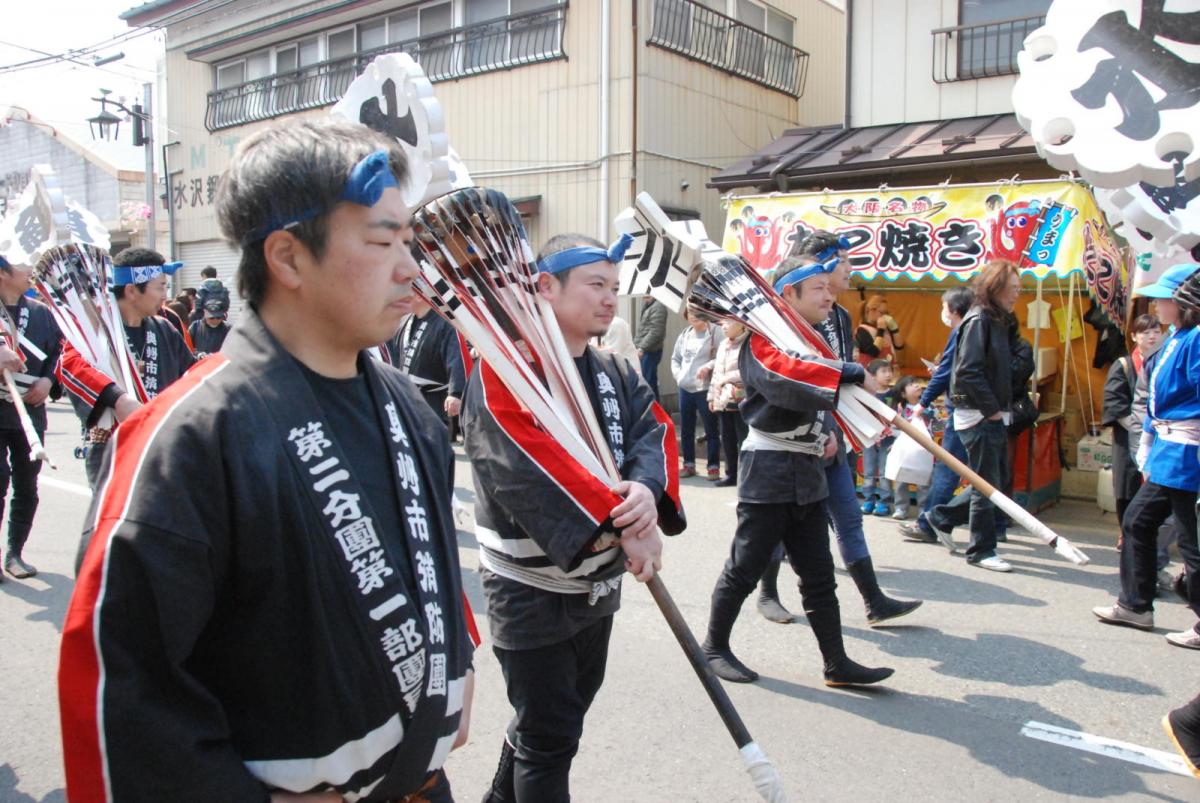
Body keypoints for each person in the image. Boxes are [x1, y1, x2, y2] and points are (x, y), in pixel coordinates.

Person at [59, 118, 475, 802]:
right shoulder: (189, 439)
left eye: (410, 241)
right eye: (382, 241)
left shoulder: (410, 409)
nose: (411, 268)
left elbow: (429, 566)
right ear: (287, 257)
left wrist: (457, 665)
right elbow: (123, 691)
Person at [465, 232, 684, 803]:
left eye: (615, 286)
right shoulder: (505, 373)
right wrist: (624, 525)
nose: (610, 298)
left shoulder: (615, 370)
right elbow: (524, 471)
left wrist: (645, 493)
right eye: (595, 284)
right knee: (549, 738)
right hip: (530, 589)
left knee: (556, 723)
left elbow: (653, 430)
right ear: (546, 286)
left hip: (598, 585)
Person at [701, 255, 894, 687]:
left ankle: (836, 662)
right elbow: (787, 380)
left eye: (831, 287)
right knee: (745, 567)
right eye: (819, 288)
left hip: (807, 468)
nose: (830, 296)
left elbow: (820, 397)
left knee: (819, 575)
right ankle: (713, 647)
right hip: (768, 468)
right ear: (789, 293)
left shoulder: (809, 339)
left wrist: (827, 432)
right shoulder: (763, 341)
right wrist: (850, 370)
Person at [756, 235, 921, 627]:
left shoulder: (842, 317)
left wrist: (842, 425)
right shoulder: (779, 319)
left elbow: (842, 378)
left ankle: (873, 599)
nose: (849, 268)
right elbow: (793, 379)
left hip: (831, 431)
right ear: (815, 265)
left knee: (848, 515)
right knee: (776, 524)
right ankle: (767, 593)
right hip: (789, 439)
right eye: (842, 260)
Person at [1093, 262, 1200, 645]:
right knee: (1137, 521)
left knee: (1192, 542)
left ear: (1185, 302)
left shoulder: (1195, 339)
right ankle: (1135, 604)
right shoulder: (1177, 337)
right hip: (1169, 450)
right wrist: (1149, 441)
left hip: (1189, 453)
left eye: (1164, 299)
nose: (1157, 307)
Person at [57, 247, 195, 492]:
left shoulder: (164, 328)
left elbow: (192, 374)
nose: (165, 295)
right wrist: (118, 399)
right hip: (111, 447)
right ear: (132, 291)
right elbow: (70, 364)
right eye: (160, 287)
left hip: (158, 444)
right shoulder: (97, 328)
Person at [923, 259, 1021, 572]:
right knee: (986, 485)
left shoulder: (994, 319)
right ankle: (980, 549)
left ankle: (940, 517)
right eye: (1012, 288)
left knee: (990, 481)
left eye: (1019, 288)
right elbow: (967, 371)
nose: (1017, 294)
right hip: (977, 413)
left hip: (985, 411)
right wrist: (991, 411)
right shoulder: (980, 320)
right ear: (996, 287)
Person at [0, 256, 62, 579]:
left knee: (27, 484)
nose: (31, 274)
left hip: (30, 410)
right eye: (25, 268)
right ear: (3, 273)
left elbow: (59, 352)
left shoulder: (41, 313)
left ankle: (15, 552)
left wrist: (48, 381)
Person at [898, 286, 973, 547]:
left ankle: (930, 522)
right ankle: (992, 526)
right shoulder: (980, 328)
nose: (943, 312)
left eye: (943, 307)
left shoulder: (962, 330)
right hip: (979, 410)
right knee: (984, 474)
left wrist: (924, 401)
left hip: (965, 410)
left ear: (954, 310)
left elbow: (945, 372)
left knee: (949, 467)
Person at [1103, 314, 1162, 545]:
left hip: (1158, 436)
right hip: (1128, 435)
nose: (1152, 336)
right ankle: (1126, 533)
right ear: (1134, 336)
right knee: (1127, 487)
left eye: (1156, 331)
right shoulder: (1124, 365)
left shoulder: (1164, 362)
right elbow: (1114, 402)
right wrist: (1138, 428)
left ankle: (1151, 536)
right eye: (1146, 332)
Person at [385, 294, 466, 428]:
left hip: (434, 398)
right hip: (406, 394)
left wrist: (456, 393)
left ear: (419, 296)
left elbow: (456, 357)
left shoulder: (444, 322)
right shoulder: (404, 322)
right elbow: (392, 356)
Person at [671, 308, 721, 479]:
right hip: (685, 387)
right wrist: (679, 376)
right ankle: (688, 464)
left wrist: (708, 366)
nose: (693, 316)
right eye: (690, 313)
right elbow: (675, 359)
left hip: (705, 388)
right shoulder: (685, 334)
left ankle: (713, 466)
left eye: (697, 312)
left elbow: (724, 354)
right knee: (686, 429)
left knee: (711, 428)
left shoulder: (715, 332)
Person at [708, 318, 748, 487]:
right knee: (727, 439)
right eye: (722, 323)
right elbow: (716, 373)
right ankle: (731, 474)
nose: (724, 327)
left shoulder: (749, 344)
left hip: (742, 400)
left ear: (742, 325)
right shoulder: (723, 344)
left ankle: (746, 476)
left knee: (744, 440)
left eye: (728, 323)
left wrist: (727, 378)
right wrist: (711, 396)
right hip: (723, 400)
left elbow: (748, 371)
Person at [892, 375, 931, 520]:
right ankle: (901, 508)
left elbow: (935, 425)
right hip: (905, 450)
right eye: (911, 384)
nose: (916, 385)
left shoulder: (928, 407)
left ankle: (923, 509)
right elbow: (894, 429)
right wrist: (897, 442)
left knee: (923, 480)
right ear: (903, 394)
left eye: (917, 382)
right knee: (901, 479)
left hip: (923, 449)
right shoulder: (901, 410)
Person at [860, 359, 896, 516]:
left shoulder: (894, 394)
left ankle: (884, 502)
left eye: (890, 371)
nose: (888, 375)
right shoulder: (866, 394)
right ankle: (868, 499)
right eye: (884, 371)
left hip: (887, 439)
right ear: (872, 376)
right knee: (868, 470)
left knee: (884, 471)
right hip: (869, 437)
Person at [856, 293, 904, 367]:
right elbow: (874, 352)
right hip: (872, 371)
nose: (884, 316)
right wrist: (880, 330)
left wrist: (895, 329)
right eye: (882, 312)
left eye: (886, 313)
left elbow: (899, 346)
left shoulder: (886, 328)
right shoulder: (862, 330)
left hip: (888, 368)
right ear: (871, 311)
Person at [633, 295, 667, 399]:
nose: (645, 295)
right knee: (649, 382)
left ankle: (652, 407)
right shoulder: (648, 305)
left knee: (648, 383)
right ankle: (653, 407)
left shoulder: (658, 307)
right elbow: (644, 329)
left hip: (650, 351)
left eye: (648, 292)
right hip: (645, 350)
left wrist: (642, 347)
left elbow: (656, 332)